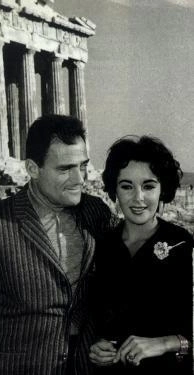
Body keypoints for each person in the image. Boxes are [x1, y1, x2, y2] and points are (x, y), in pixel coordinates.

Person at [0, 115, 117, 375]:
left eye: (83, 166)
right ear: (32, 168)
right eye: (65, 169)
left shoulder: (96, 213)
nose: (80, 179)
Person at [89, 135, 193, 374]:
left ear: (163, 189)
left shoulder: (184, 245)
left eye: (148, 186)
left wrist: (165, 343)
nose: (138, 198)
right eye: (126, 186)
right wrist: (96, 348)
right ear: (114, 189)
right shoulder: (101, 246)